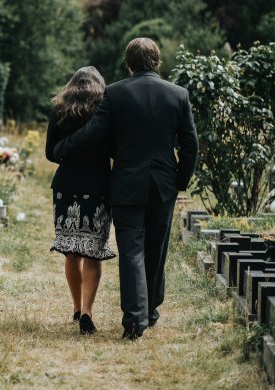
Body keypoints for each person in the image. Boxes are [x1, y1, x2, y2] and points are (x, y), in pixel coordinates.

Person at [53, 38, 198, 340]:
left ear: (129, 63)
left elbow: (94, 131)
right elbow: (190, 146)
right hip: (163, 185)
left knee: (131, 251)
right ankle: (151, 310)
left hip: (127, 184)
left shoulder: (116, 93)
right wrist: (179, 181)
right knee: (156, 249)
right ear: (156, 61)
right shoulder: (178, 95)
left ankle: (134, 321)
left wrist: (64, 147)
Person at [46, 66, 116, 335]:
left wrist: (69, 155)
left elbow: (50, 152)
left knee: (71, 251)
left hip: (66, 185)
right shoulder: (105, 109)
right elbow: (113, 149)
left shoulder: (61, 108)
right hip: (97, 185)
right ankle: (88, 310)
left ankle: (76, 308)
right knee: (93, 251)